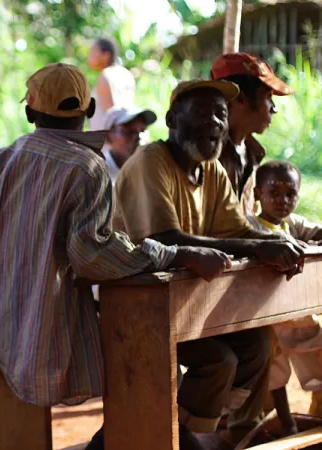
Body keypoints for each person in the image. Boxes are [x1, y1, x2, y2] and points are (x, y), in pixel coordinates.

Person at [0, 62, 233, 445]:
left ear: (30, 112)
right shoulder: (86, 167)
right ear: (89, 109)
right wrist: (172, 254)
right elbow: (92, 254)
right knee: (145, 371)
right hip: (51, 333)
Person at [105, 80, 305, 448]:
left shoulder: (209, 169)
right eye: (202, 113)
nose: (215, 122)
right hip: (136, 304)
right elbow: (166, 239)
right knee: (219, 361)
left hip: (183, 303)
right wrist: (257, 246)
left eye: (221, 114)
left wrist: (280, 241)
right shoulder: (152, 161)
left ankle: (181, 430)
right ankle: (182, 435)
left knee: (258, 346)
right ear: (171, 120)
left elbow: (239, 228)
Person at [246, 161, 322, 436]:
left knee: (318, 353)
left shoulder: (292, 223)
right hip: (269, 316)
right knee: (274, 370)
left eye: (290, 194)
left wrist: (312, 244)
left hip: (299, 313)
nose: (282, 200)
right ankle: (285, 421)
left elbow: (317, 232)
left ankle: (316, 413)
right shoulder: (251, 226)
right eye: (274, 192)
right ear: (257, 194)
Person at [211, 52, 294, 216]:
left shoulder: (252, 152)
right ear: (240, 98)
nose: (274, 108)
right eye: (268, 96)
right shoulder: (210, 156)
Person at [87, 37, 136, 131]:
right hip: (127, 136)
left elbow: (112, 116)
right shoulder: (128, 74)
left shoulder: (104, 75)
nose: (89, 56)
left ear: (106, 55)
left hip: (108, 141)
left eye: (93, 52)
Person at [101, 105, 156, 182]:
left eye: (142, 130)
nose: (138, 136)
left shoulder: (149, 170)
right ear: (108, 135)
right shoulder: (98, 175)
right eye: (130, 131)